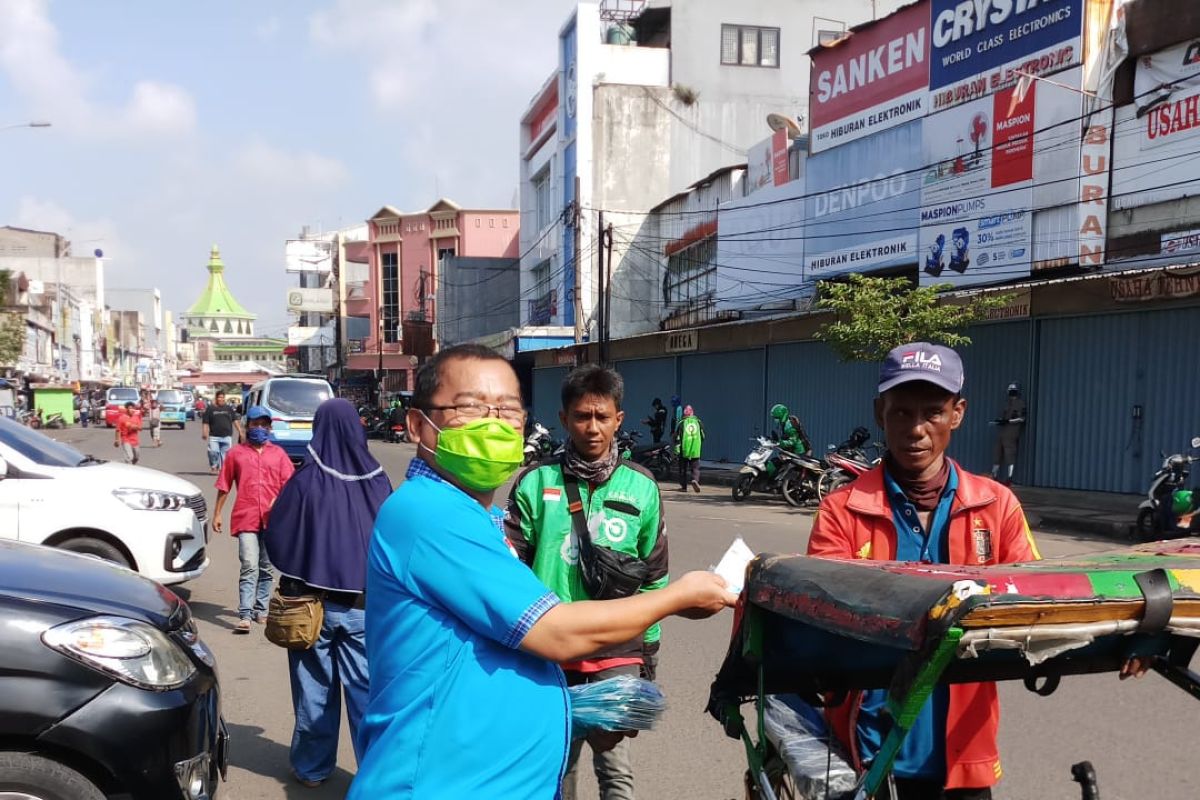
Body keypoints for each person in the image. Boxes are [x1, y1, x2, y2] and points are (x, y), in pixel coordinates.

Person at [349, 344, 734, 800]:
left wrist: (627, 669)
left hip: (563, 699)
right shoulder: (435, 513)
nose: (493, 425)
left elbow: (650, 566)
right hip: (441, 781)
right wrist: (678, 598)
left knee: (616, 772)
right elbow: (553, 631)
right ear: (419, 425)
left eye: (508, 412)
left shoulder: (483, 518)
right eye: (470, 408)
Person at [807, 343, 1042, 799]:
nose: (916, 429)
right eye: (901, 412)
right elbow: (822, 619)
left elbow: (1035, 602)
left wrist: (1122, 634)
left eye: (933, 412)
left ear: (958, 413)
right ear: (880, 412)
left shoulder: (997, 505)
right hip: (868, 755)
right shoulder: (842, 510)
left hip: (963, 755)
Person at [506, 364, 668, 800]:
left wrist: (648, 652)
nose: (592, 427)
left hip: (616, 651)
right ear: (563, 419)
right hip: (549, 649)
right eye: (581, 416)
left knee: (615, 766)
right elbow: (509, 574)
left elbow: (655, 578)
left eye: (602, 417)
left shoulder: (642, 487)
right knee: (557, 765)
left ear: (619, 418)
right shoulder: (535, 482)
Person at [264, 398, 391, 789]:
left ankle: (312, 768)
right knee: (367, 695)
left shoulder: (305, 480)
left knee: (313, 691)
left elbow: (278, 538)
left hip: (310, 608)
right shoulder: (380, 480)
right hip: (364, 610)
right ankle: (376, 773)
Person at [213, 406, 294, 634]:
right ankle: (245, 614)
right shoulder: (236, 454)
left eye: (263, 424)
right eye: (255, 424)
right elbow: (224, 485)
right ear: (247, 425)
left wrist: (280, 503)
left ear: (269, 427)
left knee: (267, 568)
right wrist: (217, 513)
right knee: (249, 564)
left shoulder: (278, 454)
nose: (259, 428)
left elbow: (290, 486)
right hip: (245, 517)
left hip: (273, 520)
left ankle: (262, 609)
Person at [990, 382, 1027, 487]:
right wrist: (1001, 420)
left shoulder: (1020, 404)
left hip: (1012, 433)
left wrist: (1009, 421)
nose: (1012, 393)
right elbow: (1004, 417)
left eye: (1013, 391)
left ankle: (1009, 479)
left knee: (1009, 455)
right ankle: (994, 476)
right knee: (997, 453)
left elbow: (1022, 418)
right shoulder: (1007, 404)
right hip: (1003, 432)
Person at [202, 390, 242, 474]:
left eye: (223, 397)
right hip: (214, 436)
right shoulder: (211, 408)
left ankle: (223, 470)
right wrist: (205, 432)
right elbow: (205, 422)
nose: (221, 399)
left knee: (226, 455)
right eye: (219, 397)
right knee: (213, 452)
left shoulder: (228, 408)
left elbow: (235, 420)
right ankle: (214, 467)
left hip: (227, 436)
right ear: (216, 398)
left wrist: (240, 431)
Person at [675, 405, 704, 493]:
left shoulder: (681, 423)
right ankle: (695, 480)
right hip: (695, 449)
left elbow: (677, 438)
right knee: (695, 468)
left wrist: (676, 451)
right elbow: (703, 436)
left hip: (684, 449)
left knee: (683, 469)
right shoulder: (698, 422)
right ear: (692, 412)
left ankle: (684, 487)